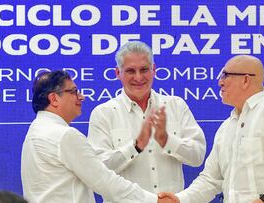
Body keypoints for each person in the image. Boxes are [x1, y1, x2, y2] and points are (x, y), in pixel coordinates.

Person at [159, 55, 264, 203]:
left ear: (246, 80)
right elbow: (211, 179)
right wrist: (181, 199)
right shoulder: (226, 126)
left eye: (225, 75)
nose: (220, 82)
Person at [21, 70, 173, 203]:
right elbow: (104, 180)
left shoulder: (35, 131)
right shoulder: (64, 135)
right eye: (73, 91)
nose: (81, 97)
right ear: (54, 99)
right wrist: (155, 200)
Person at [87, 41, 206, 202]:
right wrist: (135, 146)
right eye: (130, 71)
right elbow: (97, 171)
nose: (138, 77)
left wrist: (166, 140)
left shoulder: (175, 106)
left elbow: (197, 156)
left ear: (154, 70)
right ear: (118, 73)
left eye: (144, 70)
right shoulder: (104, 113)